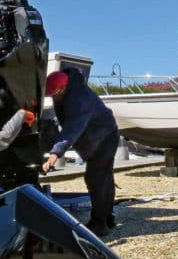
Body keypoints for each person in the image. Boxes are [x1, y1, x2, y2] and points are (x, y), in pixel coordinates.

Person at [41, 69, 119, 237]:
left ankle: (100, 224)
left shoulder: (79, 99)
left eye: (54, 94)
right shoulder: (68, 88)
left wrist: (55, 153)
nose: (53, 98)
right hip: (101, 134)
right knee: (104, 178)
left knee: (96, 178)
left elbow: (72, 129)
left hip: (105, 137)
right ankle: (107, 219)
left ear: (62, 88)